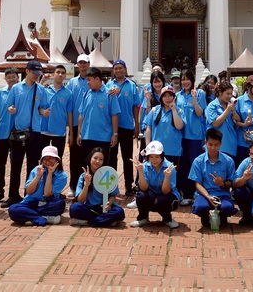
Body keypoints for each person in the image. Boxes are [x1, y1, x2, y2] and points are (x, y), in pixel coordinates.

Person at [3, 59, 51, 208]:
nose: (36, 76)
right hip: (18, 132)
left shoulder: (40, 89)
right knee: (15, 166)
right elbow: (9, 106)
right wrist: (11, 109)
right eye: (34, 73)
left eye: (38, 73)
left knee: (32, 166)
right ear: (27, 71)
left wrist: (44, 112)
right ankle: (13, 195)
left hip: (34, 132)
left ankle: (29, 195)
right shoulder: (16, 88)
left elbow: (41, 108)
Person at [189, 127, 238, 228]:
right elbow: (197, 184)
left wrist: (222, 184)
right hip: (204, 194)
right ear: (206, 143)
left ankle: (222, 216)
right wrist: (208, 196)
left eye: (216, 145)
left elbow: (231, 182)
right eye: (210, 144)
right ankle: (205, 216)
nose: (213, 148)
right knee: (200, 207)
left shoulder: (228, 161)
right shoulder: (198, 161)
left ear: (220, 144)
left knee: (228, 208)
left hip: (222, 194)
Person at [105, 59, 141, 196]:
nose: (118, 70)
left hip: (127, 126)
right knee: (111, 157)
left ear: (125, 69)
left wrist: (136, 125)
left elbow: (135, 107)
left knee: (127, 157)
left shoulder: (131, 86)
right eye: (116, 68)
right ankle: (111, 186)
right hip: (111, 128)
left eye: (121, 68)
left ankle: (128, 186)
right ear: (113, 71)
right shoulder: (108, 86)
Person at [7, 145, 68, 225]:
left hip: (48, 203)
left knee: (60, 204)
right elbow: (29, 191)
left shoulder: (62, 176)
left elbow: (47, 194)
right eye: (45, 159)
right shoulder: (36, 170)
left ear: (57, 160)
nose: (47, 161)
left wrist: (50, 174)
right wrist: (38, 176)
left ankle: (30, 216)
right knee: (13, 209)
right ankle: (45, 218)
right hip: (32, 202)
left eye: (51, 158)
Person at [69, 147, 125, 227]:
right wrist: (86, 184)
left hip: (104, 207)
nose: (97, 161)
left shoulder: (108, 174)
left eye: (101, 159)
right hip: (89, 207)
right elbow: (80, 200)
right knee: (74, 208)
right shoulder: (83, 176)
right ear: (90, 158)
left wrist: (109, 204)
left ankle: (88, 222)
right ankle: (106, 221)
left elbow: (113, 194)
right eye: (95, 158)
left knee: (119, 212)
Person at [130, 140, 181, 229]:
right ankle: (143, 218)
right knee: (141, 195)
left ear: (162, 155)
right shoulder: (145, 166)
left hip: (167, 195)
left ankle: (167, 219)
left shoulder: (170, 167)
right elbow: (144, 188)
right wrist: (140, 171)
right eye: (151, 157)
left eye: (157, 157)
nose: (154, 160)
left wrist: (167, 177)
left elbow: (166, 191)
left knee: (161, 201)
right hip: (152, 193)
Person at [0, 67, 20, 204]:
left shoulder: (21, 92)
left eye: (14, 77)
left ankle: (14, 193)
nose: (11, 79)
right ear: (5, 79)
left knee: (15, 165)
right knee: (0, 164)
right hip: (2, 133)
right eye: (9, 77)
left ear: (18, 78)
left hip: (17, 133)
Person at [175, 69, 207, 204]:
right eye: (183, 79)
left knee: (195, 165)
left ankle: (197, 192)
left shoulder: (200, 94)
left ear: (192, 80)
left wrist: (194, 99)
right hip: (180, 136)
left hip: (195, 136)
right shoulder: (177, 96)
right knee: (183, 165)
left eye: (187, 79)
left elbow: (200, 113)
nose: (185, 82)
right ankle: (186, 193)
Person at [77, 67, 121, 158]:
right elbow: (81, 115)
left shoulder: (110, 94)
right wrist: (79, 133)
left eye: (89, 80)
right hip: (86, 136)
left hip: (103, 138)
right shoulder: (86, 94)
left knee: (102, 164)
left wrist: (115, 134)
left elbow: (114, 115)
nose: (87, 82)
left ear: (97, 79)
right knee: (87, 163)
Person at [67, 54, 91, 195]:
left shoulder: (92, 81)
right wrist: (70, 129)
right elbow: (69, 105)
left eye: (85, 62)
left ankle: (87, 186)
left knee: (87, 156)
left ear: (89, 64)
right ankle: (73, 185)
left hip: (90, 124)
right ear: (77, 64)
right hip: (76, 123)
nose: (82, 65)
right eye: (80, 62)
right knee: (74, 157)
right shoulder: (72, 82)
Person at [143, 85, 184, 164]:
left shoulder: (179, 111)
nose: (167, 98)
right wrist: (147, 146)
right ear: (161, 98)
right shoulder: (155, 110)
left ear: (174, 97)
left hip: (173, 151)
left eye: (170, 95)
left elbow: (179, 126)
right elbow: (149, 128)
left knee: (171, 171)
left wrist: (173, 110)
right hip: (156, 151)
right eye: (164, 96)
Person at [42, 64, 73, 160]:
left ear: (65, 76)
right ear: (53, 74)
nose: (60, 74)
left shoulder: (68, 93)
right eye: (58, 72)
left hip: (59, 131)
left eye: (63, 73)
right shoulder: (45, 90)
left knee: (58, 160)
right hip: (43, 130)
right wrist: (42, 81)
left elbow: (69, 113)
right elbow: (38, 105)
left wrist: (71, 132)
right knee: (42, 159)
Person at [204, 80, 238, 158]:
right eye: (227, 93)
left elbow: (237, 120)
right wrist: (227, 110)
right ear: (220, 92)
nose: (229, 96)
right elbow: (215, 123)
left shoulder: (230, 105)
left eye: (231, 94)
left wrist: (233, 111)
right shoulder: (212, 106)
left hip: (231, 144)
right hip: (215, 146)